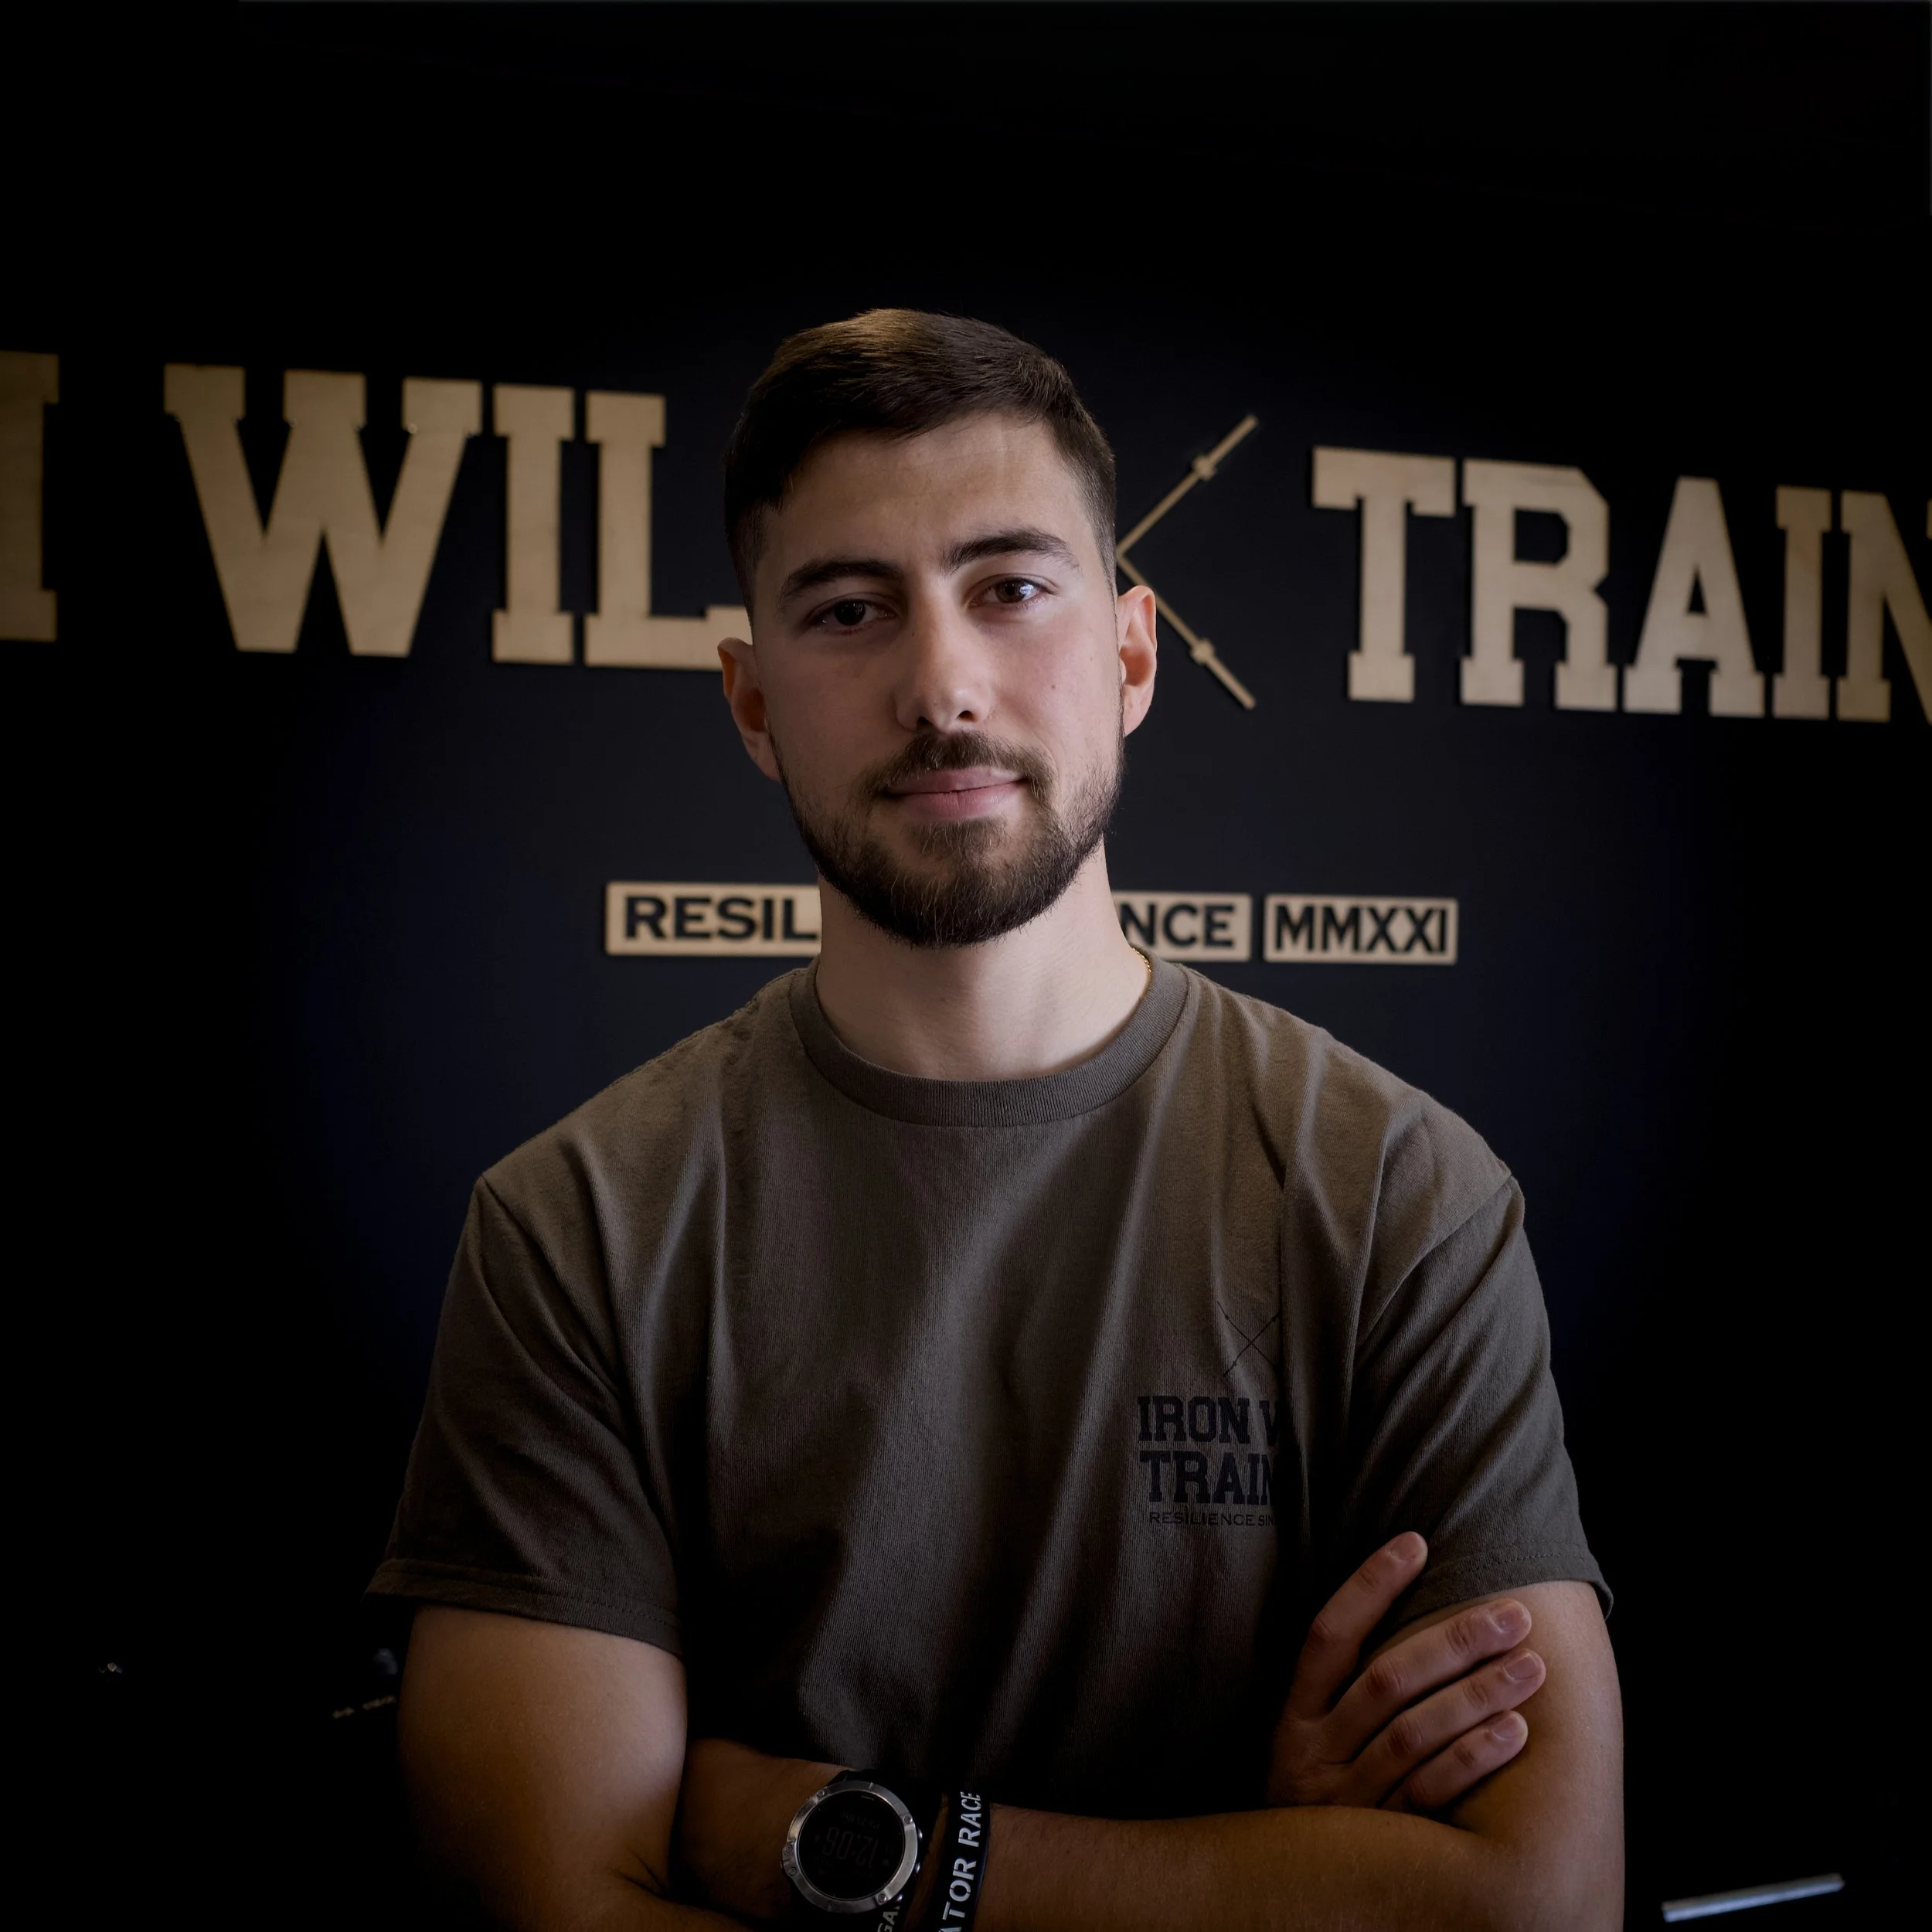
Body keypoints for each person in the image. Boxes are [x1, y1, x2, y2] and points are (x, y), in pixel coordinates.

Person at [373, 311, 1621, 1930]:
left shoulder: (1394, 1194)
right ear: (751, 702)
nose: (940, 683)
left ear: (1130, 652)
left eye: (1010, 587)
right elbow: (557, 1902)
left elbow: (1532, 1903)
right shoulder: (580, 1228)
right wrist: (1258, 1875)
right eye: (846, 608)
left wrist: (832, 1837)